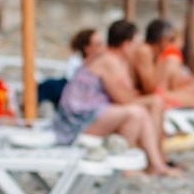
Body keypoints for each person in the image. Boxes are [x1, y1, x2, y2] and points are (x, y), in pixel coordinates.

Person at [54, 20, 179, 177]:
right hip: (78, 119)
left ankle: (154, 162)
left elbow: (128, 94)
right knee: (135, 113)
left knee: (148, 106)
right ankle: (140, 165)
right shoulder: (109, 61)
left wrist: (129, 92)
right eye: (135, 43)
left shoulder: (114, 60)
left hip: (89, 112)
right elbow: (122, 99)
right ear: (126, 44)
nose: (138, 48)